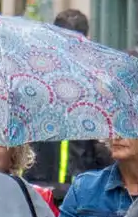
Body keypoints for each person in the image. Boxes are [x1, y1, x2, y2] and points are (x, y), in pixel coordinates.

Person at [26, 10, 115, 195]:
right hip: (79, 190)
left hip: (34, 187)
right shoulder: (98, 84)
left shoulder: (30, 79)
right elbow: (104, 148)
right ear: (87, 39)